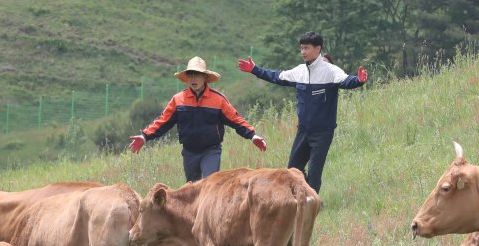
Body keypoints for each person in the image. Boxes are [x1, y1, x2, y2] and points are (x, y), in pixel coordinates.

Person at [238, 31, 367, 193]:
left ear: (318, 48)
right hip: (303, 131)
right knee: (293, 170)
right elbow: (277, 76)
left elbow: (347, 80)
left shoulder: (330, 71)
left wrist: (359, 80)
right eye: (301, 48)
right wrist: (255, 69)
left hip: (322, 132)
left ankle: (311, 206)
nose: (303, 52)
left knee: (314, 172)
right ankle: (303, 198)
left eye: (306, 48)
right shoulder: (299, 71)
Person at [127, 56, 267, 182]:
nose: (194, 79)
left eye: (198, 75)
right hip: (189, 152)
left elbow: (236, 120)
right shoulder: (178, 100)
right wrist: (144, 136)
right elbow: (162, 122)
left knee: (209, 184)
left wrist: (252, 135)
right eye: (191, 75)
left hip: (211, 151)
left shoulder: (218, 100)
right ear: (187, 78)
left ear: (205, 77)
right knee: (192, 192)